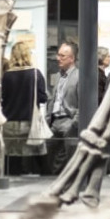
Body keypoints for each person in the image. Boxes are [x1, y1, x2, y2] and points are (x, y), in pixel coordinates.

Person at [0, 41, 48, 176]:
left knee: (12, 162)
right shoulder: (35, 74)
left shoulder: (6, 75)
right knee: (35, 159)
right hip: (30, 123)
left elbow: (2, 99)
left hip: (9, 123)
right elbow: (43, 98)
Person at [46, 41, 79, 176]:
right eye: (58, 55)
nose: (58, 58)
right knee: (49, 157)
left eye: (62, 56)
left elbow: (82, 104)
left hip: (68, 122)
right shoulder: (59, 75)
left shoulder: (79, 76)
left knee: (66, 160)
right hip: (54, 122)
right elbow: (55, 98)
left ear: (71, 58)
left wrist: (74, 123)